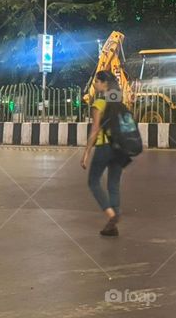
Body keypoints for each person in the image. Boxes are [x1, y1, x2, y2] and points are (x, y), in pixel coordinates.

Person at [80, 71, 129, 237]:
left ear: (103, 84)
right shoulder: (119, 103)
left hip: (104, 147)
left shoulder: (99, 103)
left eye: (96, 81)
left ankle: (111, 215)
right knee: (113, 184)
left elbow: (95, 130)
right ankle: (112, 226)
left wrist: (86, 152)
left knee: (93, 181)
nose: (95, 84)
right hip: (119, 147)